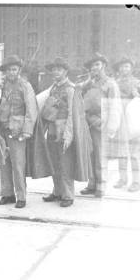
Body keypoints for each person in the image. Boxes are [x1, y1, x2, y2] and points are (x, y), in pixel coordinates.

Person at [41, 57, 92, 207]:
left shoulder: (71, 88)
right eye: (54, 70)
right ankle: (57, 191)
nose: (56, 72)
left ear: (66, 71)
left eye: (59, 69)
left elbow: (72, 113)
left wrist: (68, 135)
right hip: (52, 130)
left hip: (64, 131)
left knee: (65, 164)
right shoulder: (54, 88)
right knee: (54, 163)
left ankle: (68, 195)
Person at [0, 55, 37, 208]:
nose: (11, 72)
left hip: (17, 131)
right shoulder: (2, 86)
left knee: (18, 164)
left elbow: (31, 110)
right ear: (4, 72)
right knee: (3, 162)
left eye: (14, 69)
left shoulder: (25, 86)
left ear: (19, 70)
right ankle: (7, 194)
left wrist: (27, 131)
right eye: (8, 70)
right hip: (2, 128)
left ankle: (21, 197)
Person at [79, 53, 122, 198]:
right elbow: (78, 91)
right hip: (88, 123)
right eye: (92, 66)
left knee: (100, 156)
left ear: (103, 65)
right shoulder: (89, 83)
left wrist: (111, 128)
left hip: (101, 125)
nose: (94, 68)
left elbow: (115, 107)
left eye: (97, 64)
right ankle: (92, 184)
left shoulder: (110, 84)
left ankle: (101, 186)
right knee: (90, 154)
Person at [112, 57, 140, 192]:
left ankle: (136, 181)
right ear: (118, 69)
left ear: (131, 68)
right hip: (120, 120)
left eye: (127, 66)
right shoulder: (115, 83)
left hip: (134, 121)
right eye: (122, 66)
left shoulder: (137, 82)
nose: (124, 69)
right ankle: (123, 179)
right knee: (121, 152)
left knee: (134, 153)